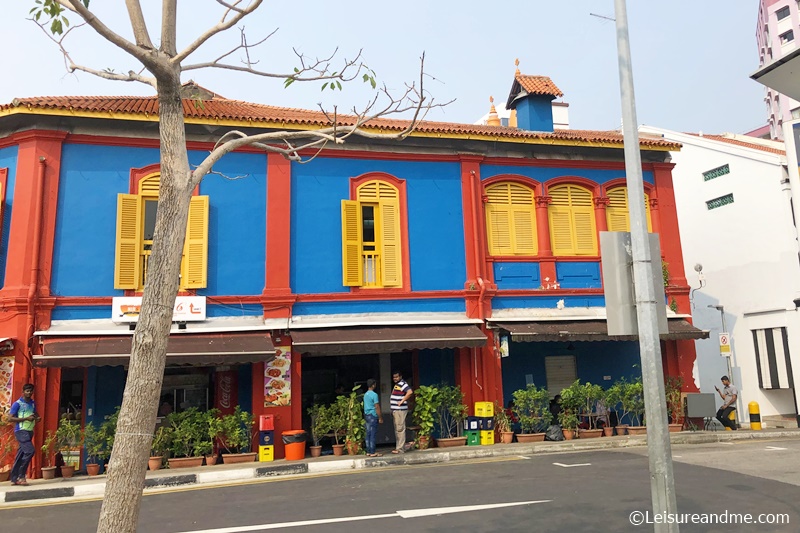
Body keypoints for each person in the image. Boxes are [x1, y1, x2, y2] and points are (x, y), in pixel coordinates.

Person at [8, 383, 41, 486]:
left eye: (31, 391)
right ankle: (21, 476)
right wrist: (26, 419)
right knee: (30, 451)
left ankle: (14, 478)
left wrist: (37, 418)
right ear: (23, 392)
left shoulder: (32, 403)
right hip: (21, 431)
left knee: (21, 454)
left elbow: (35, 413)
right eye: (27, 391)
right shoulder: (17, 404)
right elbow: (10, 418)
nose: (29, 392)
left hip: (29, 431)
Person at [390, 371, 413, 454]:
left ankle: (400, 448)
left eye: (396, 377)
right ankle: (399, 447)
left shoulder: (403, 384)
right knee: (397, 429)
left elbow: (410, 392)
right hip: (396, 410)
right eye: (394, 377)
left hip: (400, 410)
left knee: (400, 429)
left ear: (400, 376)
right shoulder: (398, 385)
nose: (395, 379)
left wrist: (402, 400)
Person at [363, 379, 383, 457]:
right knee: (373, 434)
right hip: (373, 415)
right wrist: (380, 417)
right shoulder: (374, 395)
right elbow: (377, 406)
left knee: (368, 433)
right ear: (373, 385)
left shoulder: (365, 394)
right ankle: (372, 452)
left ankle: (368, 451)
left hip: (367, 415)